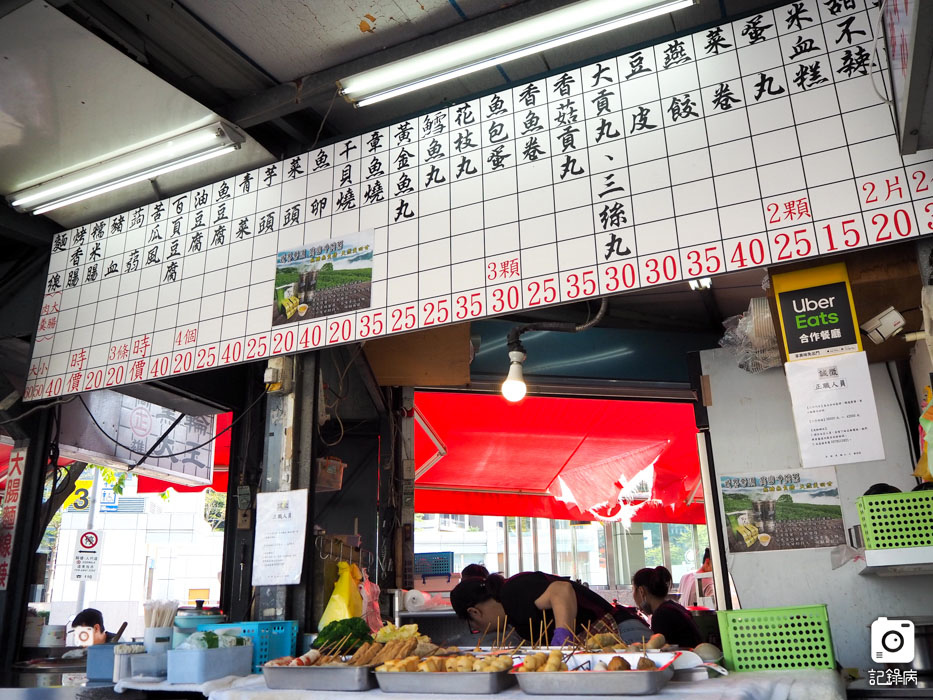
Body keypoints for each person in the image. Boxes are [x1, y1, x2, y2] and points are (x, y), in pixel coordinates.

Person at [451, 570, 649, 645]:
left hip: (623, 632)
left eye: (474, 624)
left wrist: (563, 633)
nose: (480, 629)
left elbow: (561, 590)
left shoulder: (512, 592)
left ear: (474, 612)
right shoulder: (512, 614)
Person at [632, 566, 702, 648]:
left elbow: (660, 652)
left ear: (641, 591)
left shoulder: (661, 615)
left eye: (633, 590)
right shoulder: (674, 608)